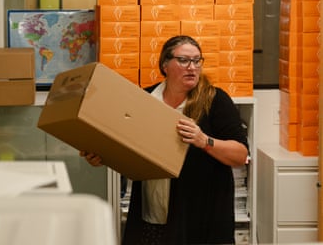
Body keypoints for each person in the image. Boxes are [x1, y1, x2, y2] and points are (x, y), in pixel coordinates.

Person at [80, 35, 249, 245]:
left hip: (199, 221)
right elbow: (129, 150)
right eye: (184, 60)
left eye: (197, 61)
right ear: (165, 65)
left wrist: (205, 141)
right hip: (151, 217)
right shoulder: (145, 99)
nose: (192, 67)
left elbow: (241, 155)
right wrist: (102, 157)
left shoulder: (215, 100)